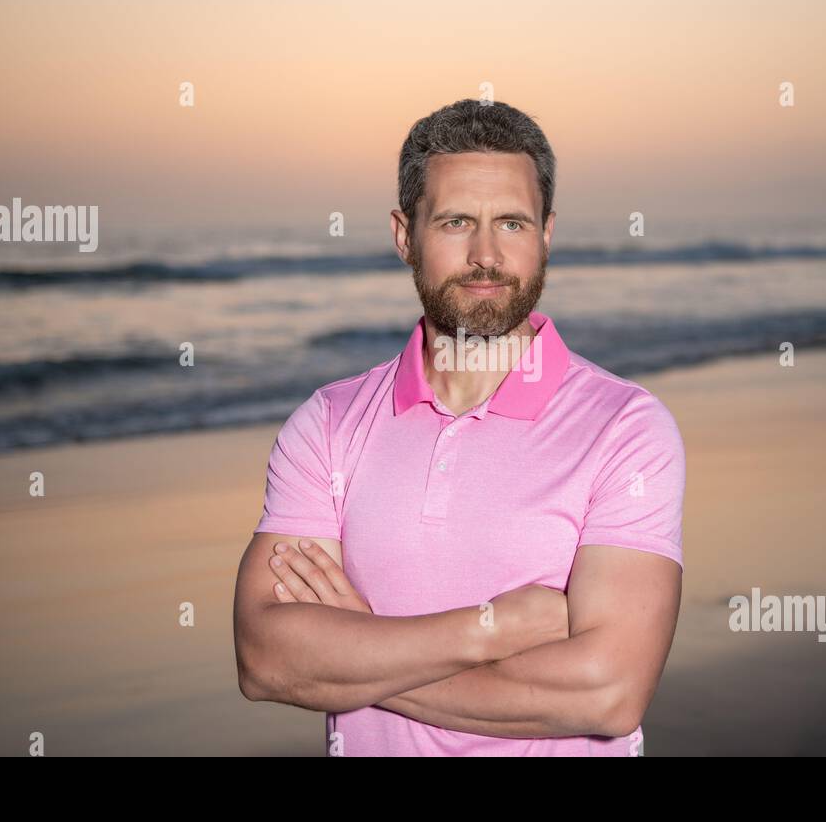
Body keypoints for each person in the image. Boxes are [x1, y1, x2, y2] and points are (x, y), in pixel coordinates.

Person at [233, 98, 685, 756]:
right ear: (403, 235)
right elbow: (265, 656)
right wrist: (489, 630)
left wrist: (361, 647)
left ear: (547, 234)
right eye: (454, 222)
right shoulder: (326, 426)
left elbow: (607, 692)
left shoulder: (625, 429)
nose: (485, 255)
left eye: (511, 222)